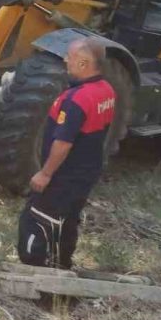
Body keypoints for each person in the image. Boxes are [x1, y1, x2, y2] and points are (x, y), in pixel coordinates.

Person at [18, 38, 115, 270]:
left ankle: (34, 269)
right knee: (68, 221)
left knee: (36, 219)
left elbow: (63, 143)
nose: (65, 60)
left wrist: (45, 174)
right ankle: (61, 265)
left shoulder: (77, 99)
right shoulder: (107, 91)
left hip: (65, 174)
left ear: (83, 63)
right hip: (86, 172)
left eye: (69, 57)